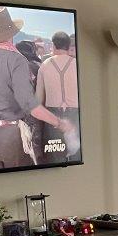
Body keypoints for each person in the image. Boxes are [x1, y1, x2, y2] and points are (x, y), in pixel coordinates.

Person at [0, 6, 74, 170]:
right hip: (9, 136)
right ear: (12, 32)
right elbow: (29, 105)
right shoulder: (16, 60)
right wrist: (59, 123)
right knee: (21, 184)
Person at [35, 31, 79, 163]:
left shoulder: (44, 65)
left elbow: (38, 99)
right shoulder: (78, 64)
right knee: (78, 158)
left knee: (55, 161)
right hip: (76, 115)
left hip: (53, 117)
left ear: (53, 46)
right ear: (68, 46)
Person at [15, 40, 45, 160]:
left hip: (31, 114)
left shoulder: (27, 66)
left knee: (34, 148)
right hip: (42, 110)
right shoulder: (39, 64)